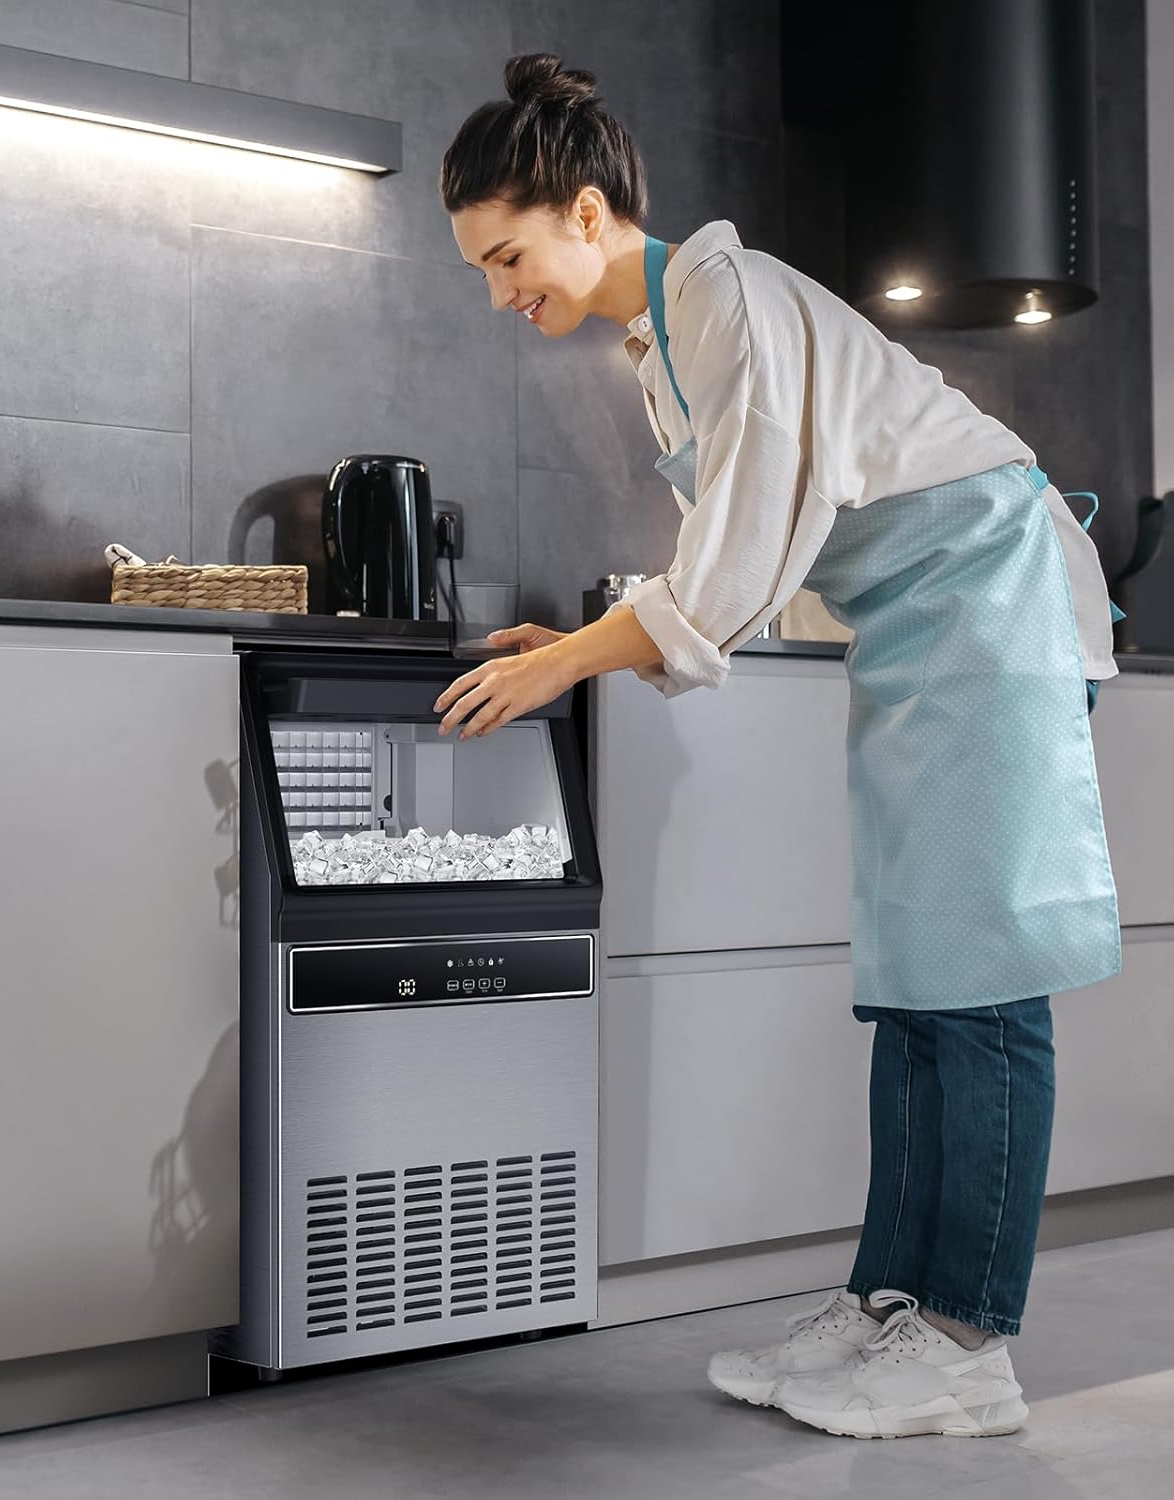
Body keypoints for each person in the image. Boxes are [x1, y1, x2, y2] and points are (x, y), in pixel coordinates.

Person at [433, 53, 1123, 1441]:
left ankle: (968, 1343)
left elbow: (735, 573)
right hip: (926, 629)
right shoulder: (666, 343)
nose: (506, 294)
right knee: (918, 978)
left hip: (990, 599)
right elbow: (731, 555)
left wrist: (577, 654)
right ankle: (890, 1308)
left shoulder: (725, 298)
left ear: (583, 211)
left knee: (980, 984)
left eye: (509, 257)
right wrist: (599, 631)